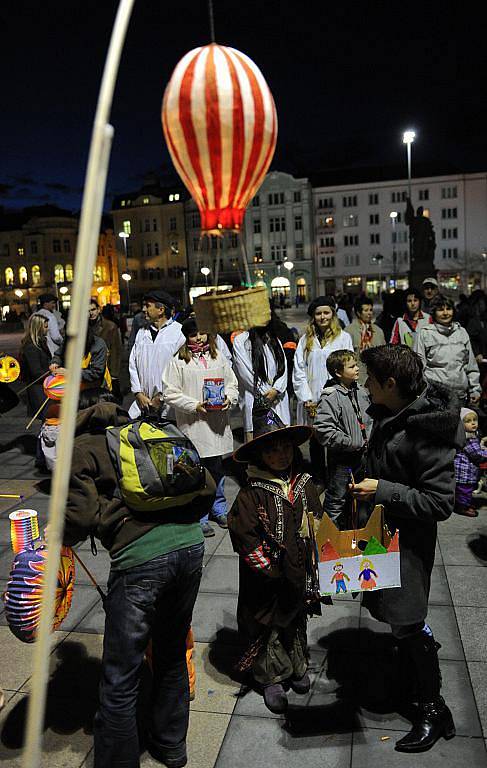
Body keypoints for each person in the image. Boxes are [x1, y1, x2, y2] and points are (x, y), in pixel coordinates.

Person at [63, 399, 215, 768]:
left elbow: (79, 518)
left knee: (120, 676)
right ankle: (171, 747)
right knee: (171, 651)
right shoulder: (153, 434)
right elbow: (206, 486)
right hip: (190, 548)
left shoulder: (82, 448)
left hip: (140, 562)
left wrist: (62, 533)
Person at [351, 344, 461, 753]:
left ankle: (434, 708)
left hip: (407, 545)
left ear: (391, 384)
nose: (365, 385)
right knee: (395, 618)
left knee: (409, 621)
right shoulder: (393, 413)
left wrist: (384, 489)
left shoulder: (425, 430)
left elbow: (440, 503)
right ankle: (409, 684)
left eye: (371, 380)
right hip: (383, 534)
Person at [228, 407, 321, 714]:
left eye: (286, 449)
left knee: (295, 616)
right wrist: (267, 568)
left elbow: (317, 519)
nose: (281, 456)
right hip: (265, 577)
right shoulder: (252, 493)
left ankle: (297, 666)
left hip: (298, 570)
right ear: (260, 456)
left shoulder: (304, 483)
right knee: (266, 623)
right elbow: (245, 535)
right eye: (272, 451)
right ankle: (271, 677)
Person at [163, 318, 239, 538]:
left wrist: (229, 399)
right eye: (194, 335)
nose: (199, 338)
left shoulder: (218, 356)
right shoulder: (178, 360)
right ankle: (201, 515)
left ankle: (219, 508)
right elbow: (170, 392)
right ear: (186, 337)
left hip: (216, 424)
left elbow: (231, 383)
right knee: (196, 471)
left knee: (217, 469)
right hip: (193, 424)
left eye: (202, 333)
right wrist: (194, 405)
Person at [293, 296, 353, 484]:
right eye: (318, 313)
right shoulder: (305, 341)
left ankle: (336, 479)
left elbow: (349, 367)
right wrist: (306, 397)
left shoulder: (343, 338)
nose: (322, 317)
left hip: (337, 397)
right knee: (316, 441)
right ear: (313, 317)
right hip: (313, 400)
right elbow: (299, 369)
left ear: (333, 314)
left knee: (335, 440)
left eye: (326, 312)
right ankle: (319, 479)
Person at [313, 350, 371, 525]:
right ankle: (329, 539)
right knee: (336, 499)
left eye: (356, 365)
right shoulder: (331, 396)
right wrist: (350, 442)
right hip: (342, 459)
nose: (357, 369)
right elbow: (323, 429)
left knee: (362, 497)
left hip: (362, 456)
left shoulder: (361, 392)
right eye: (352, 366)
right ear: (338, 372)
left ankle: (355, 533)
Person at [414, 294, 481, 406]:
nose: (445, 313)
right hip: (435, 397)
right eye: (440, 310)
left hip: (459, 396)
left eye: (448, 309)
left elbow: (471, 365)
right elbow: (418, 366)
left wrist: (475, 390)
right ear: (434, 312)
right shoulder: (425, 333)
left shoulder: (461, 332)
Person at [129, 290, 185, 419]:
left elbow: (180, 371)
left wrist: (161, 397)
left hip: (169, 404)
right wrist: (138, 393)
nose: (144, 309)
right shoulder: (142, 333)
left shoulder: (178, 333)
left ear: (160, 310)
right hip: (143, 403)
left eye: (148, 306)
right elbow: (133, 365)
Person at [233, 321, 290, 442]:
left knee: (281, 441)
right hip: (256, 399)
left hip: (278, 399)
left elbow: (283, 368)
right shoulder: (241, 341)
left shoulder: (274, 340)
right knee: (259, 443)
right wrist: (266, 393)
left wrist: (276, 390)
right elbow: (246, 372)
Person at [51, 325, 109, 390]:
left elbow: (96, 373)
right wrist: (55, 362)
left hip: (95, 386)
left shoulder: (98, 345)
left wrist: (69, 373)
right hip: (71, 386)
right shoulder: (68, 339)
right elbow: (59, 354)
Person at [453, 407, 487, 517]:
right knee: (465, 490)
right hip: (465, 471)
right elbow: (477, 454)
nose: (473, 423)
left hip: (463, 470)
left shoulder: (469, 435)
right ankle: (462, 507)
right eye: (468, 421)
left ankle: (463, 504)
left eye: (474, 420)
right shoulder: (468, 438)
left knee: (463, 489)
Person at [346, 295, 386, 385]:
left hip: (376, 378)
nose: (369, 313)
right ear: (358, 313)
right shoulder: (349, 331)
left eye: (371, 310)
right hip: (357, 379)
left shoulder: (378, 331)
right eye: (366, 310)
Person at [89, 299, 122, 397]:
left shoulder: (110, 326)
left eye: (93, 309)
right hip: (90, 369)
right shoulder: (83, 327)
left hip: (106, 368)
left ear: (99, 310)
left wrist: (114, 374)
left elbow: (116, 350)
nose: (91, 313)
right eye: (87, 311)